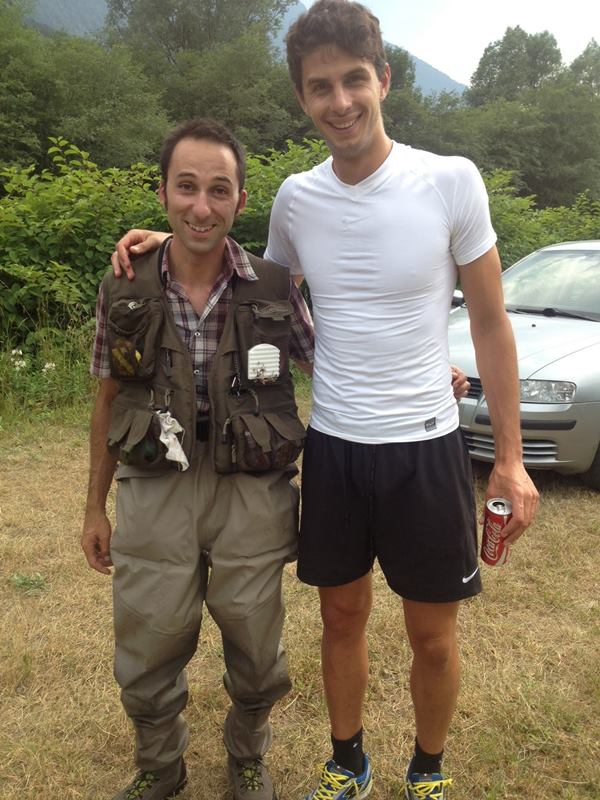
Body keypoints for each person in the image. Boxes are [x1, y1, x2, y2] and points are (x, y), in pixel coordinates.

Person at [110, 3, 539, 799]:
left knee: (433, 636)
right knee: (340, 621)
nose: (339, 101)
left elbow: (489, 321)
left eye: (353, 80)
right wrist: (159, 239)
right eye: (319, 87)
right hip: (335, 447)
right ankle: (348, 762)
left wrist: (509, 460)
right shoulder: (298, 201)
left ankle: (428, 771)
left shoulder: (451, 180)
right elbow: (250, 290)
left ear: (384, 78)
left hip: (426, 445)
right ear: (302, 99)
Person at [81, 118, 316, 800]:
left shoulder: (272, 284)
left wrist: (427, 372)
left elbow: (336, 361)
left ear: (242, 201)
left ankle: (248, 756)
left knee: (254, 636)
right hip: (155, 483)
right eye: (186, 188)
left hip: (252, 488)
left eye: (219, 190)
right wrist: (94, 506)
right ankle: (160, 764)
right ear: (163, 193)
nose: (201, 206)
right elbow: (105, 402)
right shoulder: (124, 285)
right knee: (150, 632)